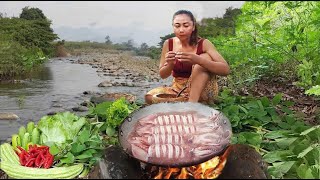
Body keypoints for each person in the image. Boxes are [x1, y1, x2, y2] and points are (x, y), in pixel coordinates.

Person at [145, 10, 230, 105]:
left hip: (203, 90)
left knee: (204, 57)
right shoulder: (168, 44)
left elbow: (225, 70)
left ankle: (191, 105)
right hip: (178, 89)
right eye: (177, 26)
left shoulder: (204, 44)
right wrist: (170, 64)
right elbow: (163, 75)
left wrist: (199, 60)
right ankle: (183, 102)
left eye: (186, 25)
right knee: (149, 97)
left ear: (193, 27)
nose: (181, 30)